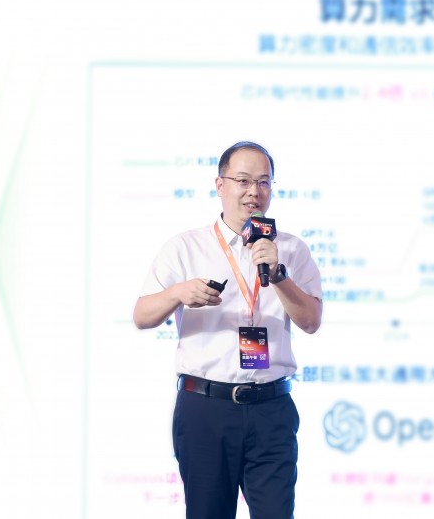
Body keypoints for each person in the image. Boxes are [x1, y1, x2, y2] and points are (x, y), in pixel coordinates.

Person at [133, 141, 323, 519]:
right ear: (220, 185)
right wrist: (177, 293)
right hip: (206, 409)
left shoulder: (291, 249)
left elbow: (311, 321)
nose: (255, 191)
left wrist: (279, 276)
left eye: (264, 182)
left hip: (271, 409)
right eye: (244, 180)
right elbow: (142, 315)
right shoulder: (186, 247)